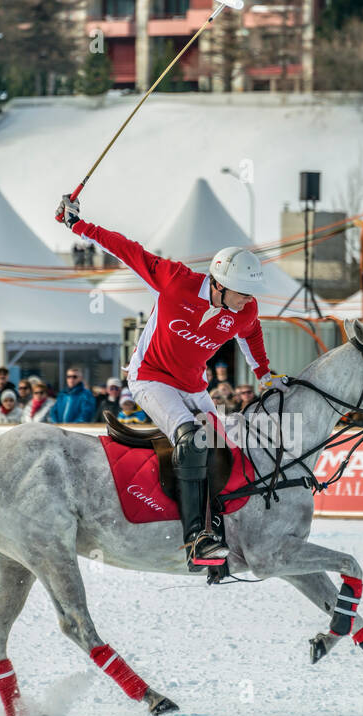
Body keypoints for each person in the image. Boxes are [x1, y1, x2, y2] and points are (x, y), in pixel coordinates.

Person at [58, 192, 280, 569]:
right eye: (242, 294)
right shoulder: (176, 282)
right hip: (150, 379)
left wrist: (264, 373)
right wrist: (78, 224)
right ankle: (197, 539)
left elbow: (251, 332)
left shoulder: (244, 309)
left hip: (194, 386)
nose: (248, 302)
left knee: (226, 447)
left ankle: (224, 532)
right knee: (192, 441)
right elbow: (128, 250)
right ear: (219, 285)